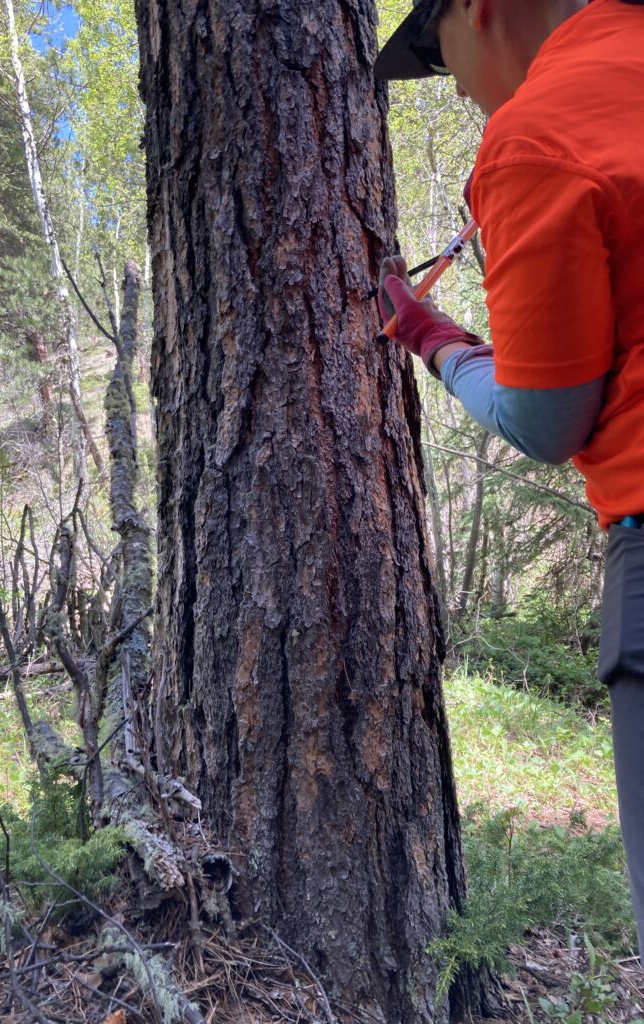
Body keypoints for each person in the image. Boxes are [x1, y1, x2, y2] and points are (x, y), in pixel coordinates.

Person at [375, 0, 644, 958]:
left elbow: (543, 417)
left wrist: (435, 339)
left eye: (435, 49)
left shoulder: (534, 138)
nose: (450, 82)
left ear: (478, 8)